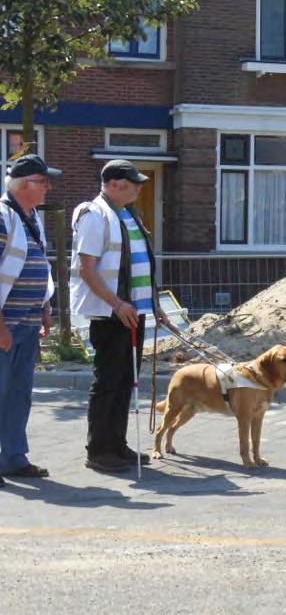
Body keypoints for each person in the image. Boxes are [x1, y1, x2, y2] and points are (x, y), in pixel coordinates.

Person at [70, 159, 171, 473]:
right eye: (133, 183)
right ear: (113, 184)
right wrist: (116, 303)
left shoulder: (127, 214)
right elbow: (87, 268)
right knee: (109, 382)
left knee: (126, 380)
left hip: (133, 312)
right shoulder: (95, 215)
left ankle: (116, 444)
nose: (140, 188)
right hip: (111, 313)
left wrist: (152, 305)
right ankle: (99, 449)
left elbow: (141, 266)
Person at [0, 155, 61, 485]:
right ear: (24, 185)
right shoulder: (1, 216)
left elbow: (39, 263)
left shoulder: (31, 216)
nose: (48, 187)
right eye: (43, 181)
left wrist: (44, 305)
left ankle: (13, 458)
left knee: (19, 394)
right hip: (6, 323)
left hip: (26, 321)